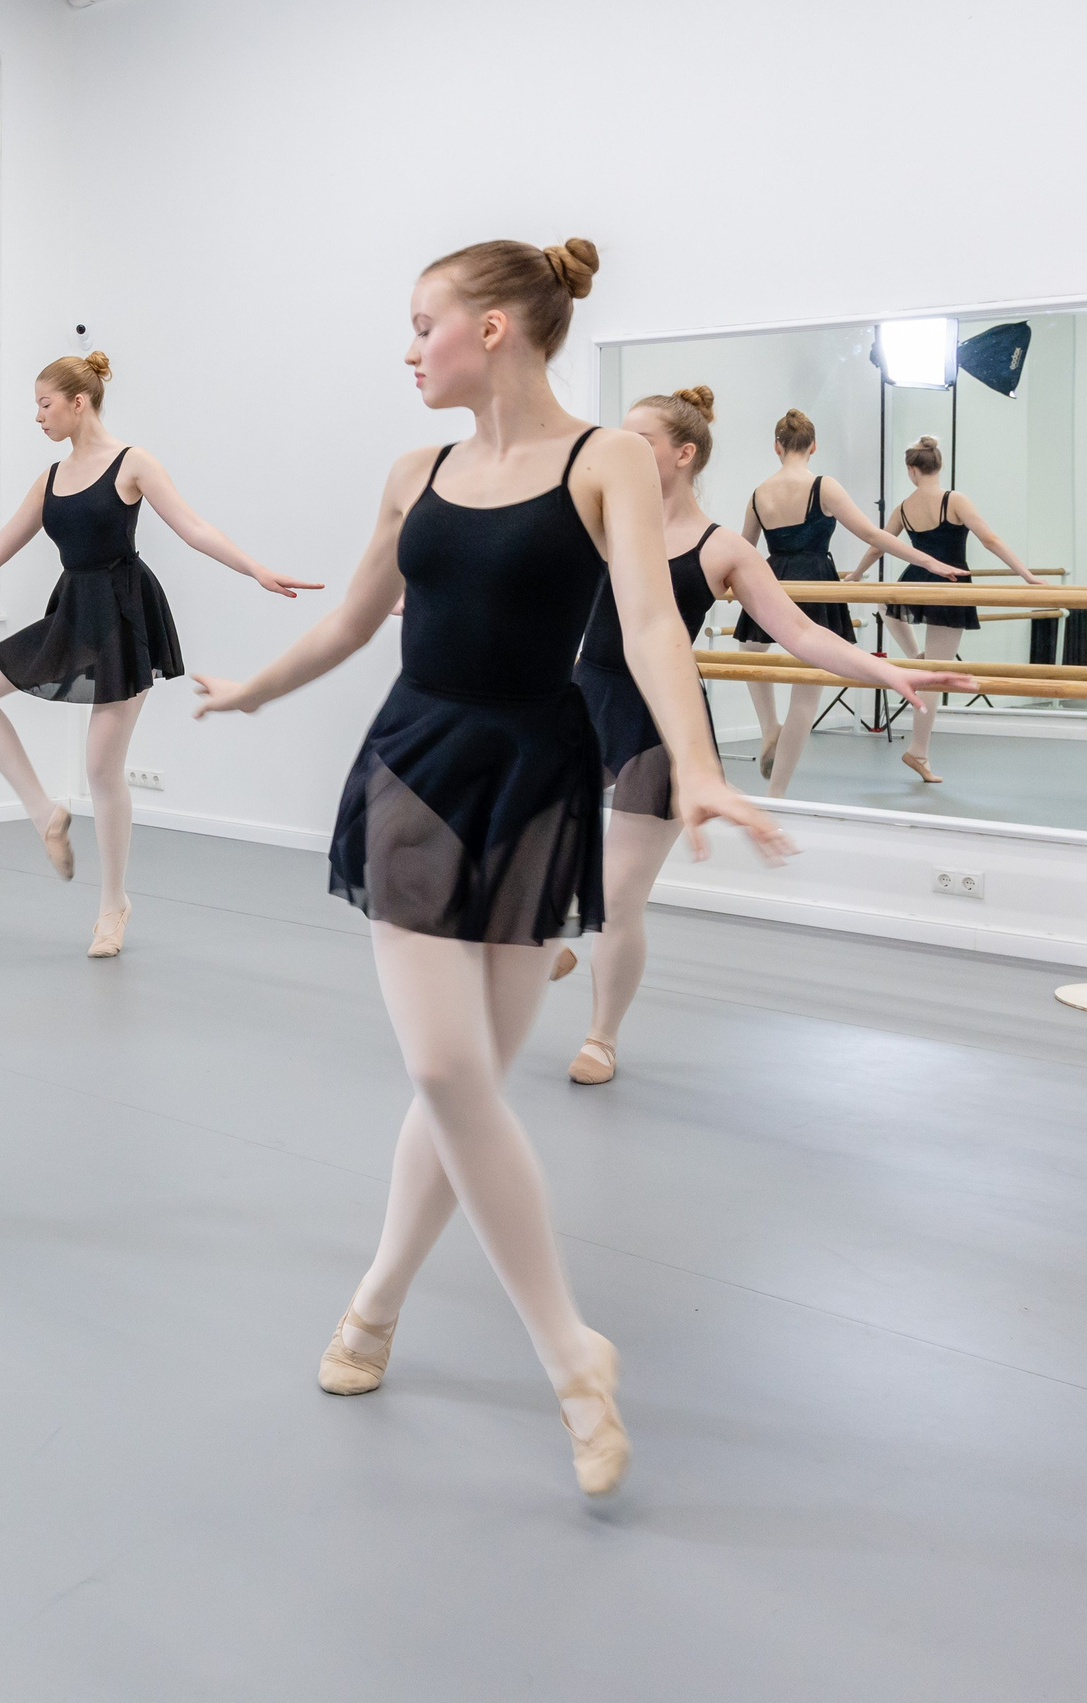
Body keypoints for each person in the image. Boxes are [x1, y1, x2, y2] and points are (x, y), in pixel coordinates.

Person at [191, 239, 793, 1496]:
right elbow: (351, 619)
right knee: (444, 1067)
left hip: (538, 774)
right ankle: (571, 1353)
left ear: (495, 328)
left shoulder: (604, 459)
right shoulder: (414, 472)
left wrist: (694, 764)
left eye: (424, 323)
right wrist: (254, 688)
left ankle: (372, 1302)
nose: (409, 347)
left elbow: (649, 623)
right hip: (417, 766)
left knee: (463, 1088)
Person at [547, 389, 972, 1084]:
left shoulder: (723, 548)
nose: (619, 452)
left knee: (620, 900)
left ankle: (602, 1037)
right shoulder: (599, 520)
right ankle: (553, 929)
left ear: (683, 455)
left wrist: (888, 670)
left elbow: (800, 631)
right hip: (582, 698)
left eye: (639, 442)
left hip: (662, 717)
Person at [0, 354, 316, 955]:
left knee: (102, 770)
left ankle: (113, 905)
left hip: (123, 615)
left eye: (45, 405)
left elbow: (193, 528)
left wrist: (255, 569)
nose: (38, 417)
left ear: (78, 402)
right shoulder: (49, 479)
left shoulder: (133, 463)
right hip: (72, 613)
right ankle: (44, 814)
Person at [734, 409, 949, 795]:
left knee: (749, 652)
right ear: (813, 446)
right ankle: (776, 792)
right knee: (807, 686)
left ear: (776, 447)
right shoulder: (823, 487)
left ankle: (768, 727)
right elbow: (872, 534)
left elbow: (744, 551)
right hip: (816, 581)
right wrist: (927, 560)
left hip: (772, 579)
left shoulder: (758, 493)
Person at [852, 434, 1048, 782]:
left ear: (912, 470)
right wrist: (1027, 575)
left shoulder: (903, 508)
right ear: (938, 466)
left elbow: (878, 545)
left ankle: (915, 659)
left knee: (886, 602)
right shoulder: (954, 500)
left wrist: (855, 575)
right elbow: (990, 539)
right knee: (934, 675)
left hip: (916, 580)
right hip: (950, 586)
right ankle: (918, 751)